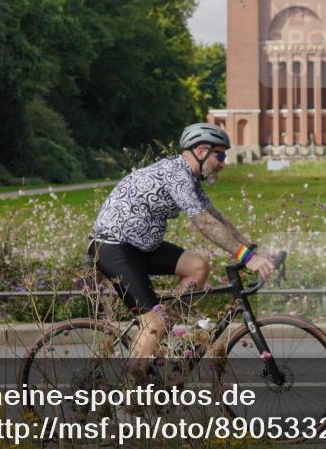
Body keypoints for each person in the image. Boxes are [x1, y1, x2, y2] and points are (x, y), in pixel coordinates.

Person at [88, 123, 274, 380]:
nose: (223, 163)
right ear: (200, 150)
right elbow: (204, 224)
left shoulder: (190, 178)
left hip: (140, 246)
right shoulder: (175, 173)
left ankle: (157, 332)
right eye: (220, 155)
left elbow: (215, 217)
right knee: (155, 321)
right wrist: (246, 258)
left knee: (197, 267)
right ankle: (132, 389)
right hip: (114, 247)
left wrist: (253, 249)